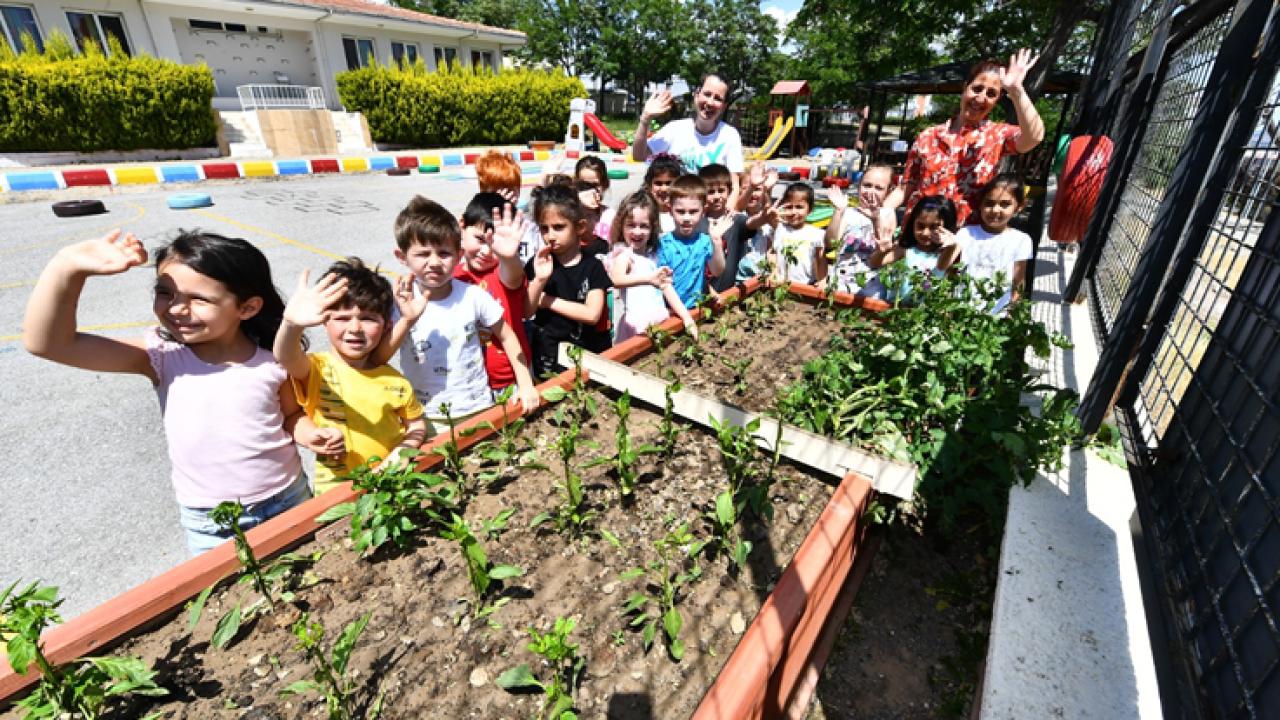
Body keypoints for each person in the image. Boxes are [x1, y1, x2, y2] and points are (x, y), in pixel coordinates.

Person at [23, 230, 310, 554]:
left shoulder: (274, 359)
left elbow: (291, 416)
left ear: (247, 308)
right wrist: (67, 267)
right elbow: (48, 343)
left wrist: (313, 433)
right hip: (213, 523)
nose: (177, 309)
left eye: (199, 299)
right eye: (165, 293)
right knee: (229, 589)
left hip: (288, 499)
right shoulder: (162, 357)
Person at [273, 258, 427, 495]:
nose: (355, 328)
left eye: (367, 318)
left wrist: (402, 453)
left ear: (386, 325)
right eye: (342, 318)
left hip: (393, 484)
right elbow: (286, 355)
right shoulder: (317, 369)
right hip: (337, 490)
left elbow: (416, 424)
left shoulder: (395, 381)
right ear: (324, 321)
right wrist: (291, 325)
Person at [393, 196, 539, 434]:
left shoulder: (473, 295)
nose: (434, 262)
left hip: (479, 406)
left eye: (444, 253)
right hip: (425, 414)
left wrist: (525, 383)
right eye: (423, 254)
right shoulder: (399, 303)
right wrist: (407, 320)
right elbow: (379, 355)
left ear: (458, 254)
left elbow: (508, 335)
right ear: (402, 257)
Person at [881, 50, 1045, 232]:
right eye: (977, 89)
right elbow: (907, 186)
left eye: (991, 94)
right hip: (921, 234)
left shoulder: (997, 135)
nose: (980, 98)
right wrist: (885, 209)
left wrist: (1016, 91)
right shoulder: (928, 136)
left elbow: (1034, 136)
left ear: (996, 100)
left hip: (965, 237)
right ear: (965, 87)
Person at [525, 183, 613, 376]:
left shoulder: (593, 266)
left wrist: (547, 301)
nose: (550, 236)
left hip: (588, 357)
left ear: (579, 226)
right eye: (544, 228)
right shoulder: (538, 264)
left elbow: (592, 314)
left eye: (559, 227)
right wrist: (539, 280)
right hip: (548, 358)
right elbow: (526, 310)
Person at [455, 193, 535, 392]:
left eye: (493, 244)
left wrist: (508, 257)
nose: (487, 251)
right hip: (468, 382)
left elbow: (513, 275)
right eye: (480, 239)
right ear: (462, 226)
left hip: (510, 379)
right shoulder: (452, 276)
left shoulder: (502, 272)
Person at [632, 74, 746, 206]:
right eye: (707, 94)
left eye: (717, 98)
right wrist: (645, 119)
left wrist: (726, 215)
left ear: (724, 106)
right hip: (677, 211)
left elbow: (734, 185)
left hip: (710, 212)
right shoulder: (675, 129)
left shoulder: (730, 135)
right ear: (697, 95)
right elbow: (639, 155)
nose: (710, 102)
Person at [607, 190, 698, 342]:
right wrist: (649, 279)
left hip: (659, 322)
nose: (637, 232)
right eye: (631, 225)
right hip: (636, 329)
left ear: (652, 228)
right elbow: (616, 280)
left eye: (644, 226)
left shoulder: (653, 257)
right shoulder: (625, 256)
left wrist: (686, 317)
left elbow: (667, 288)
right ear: (621, 226)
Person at [952, 174, 1034, 312]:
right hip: (961, 310)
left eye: (1005, 204)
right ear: (980, 204)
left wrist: (1013, 310)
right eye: (989, 203)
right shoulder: (965, 234)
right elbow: (950, 270)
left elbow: (1018, 281)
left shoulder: (1021, 240)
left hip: (997, 315)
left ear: (1019, 206)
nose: (995, 210)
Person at [869, 195, 961, 303]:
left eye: (934, 227)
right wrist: (881, 252)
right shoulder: (905, 250)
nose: (925, 233)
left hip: (926, 311)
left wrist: (951, 246)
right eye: (920, 226)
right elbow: (875, 263)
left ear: (946, 227)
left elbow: (941, 266)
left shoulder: (950, 251)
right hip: (896, 308)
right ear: (913, 223)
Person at [658, 174, 726, 308]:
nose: (686, 218)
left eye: (693, 211)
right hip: (669, 311)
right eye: (680, 212)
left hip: (697, 309)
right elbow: (663, 285)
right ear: (670, 209)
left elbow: (717, 271)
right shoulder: (663, 244)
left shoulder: (705, 241)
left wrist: (717, 243)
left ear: (703, 211)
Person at [826, 163, 894, 293]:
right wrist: (838, 211)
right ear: (859, 186)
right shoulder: (848, 213)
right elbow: (830, 243)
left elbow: (884, 246)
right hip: (842, 282)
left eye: (879, 188)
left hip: (872, 285)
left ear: (888, 192)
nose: (871, 192)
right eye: (867, 185)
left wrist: (875, 219)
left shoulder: (887, 214)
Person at [475, 149, 542, 264]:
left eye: (510, 190)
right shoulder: (477, 224)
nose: (504, 197)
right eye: (495, 192)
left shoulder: (529, 225)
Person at [763, 182, 827, 286]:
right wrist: (774, 273)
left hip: (806, 285)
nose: (793, 212)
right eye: (789, 207)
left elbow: (821, 260)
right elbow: (773, 253)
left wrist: (822, 281)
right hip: (780, 283)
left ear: (810, 210)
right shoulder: (779, 228)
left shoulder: (817, 234)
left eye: (799, 207)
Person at [575, 155, 616, 239]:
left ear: (605, 184)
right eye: (584, 184)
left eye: (595, 185)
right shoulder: (570, 212)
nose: (590, 190)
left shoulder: (611, 216)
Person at [643, 153, 685, 233]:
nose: (664, 189)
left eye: (669, 183)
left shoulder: (685, 214)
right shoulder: (644, 213)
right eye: (658, 183)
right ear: (649, 185)